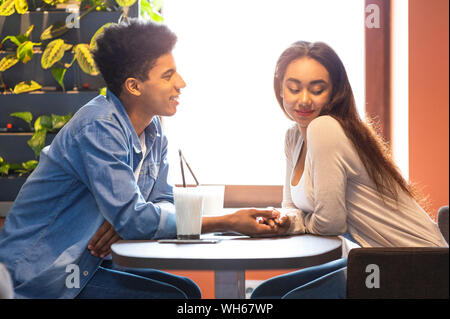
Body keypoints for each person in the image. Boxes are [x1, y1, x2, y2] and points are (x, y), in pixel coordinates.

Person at [0, 20, 279, 299]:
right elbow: (136, 219)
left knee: (186, 290)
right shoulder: (99, 127)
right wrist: (226, 221)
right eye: (168, 75)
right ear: (134, 86)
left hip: (91, 266)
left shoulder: (154, 132)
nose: (181, 83)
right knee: (176, 298)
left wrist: (125, 222)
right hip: (43, 280)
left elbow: (162, 202)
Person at [249, 41, 448, 299]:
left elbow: (330, 222)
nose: (304, 100)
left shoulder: (325, 129)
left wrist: (293, 224)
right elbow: (290, 207)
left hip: (420, 264)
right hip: (374, 259)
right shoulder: (293, 138)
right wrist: (289, 220)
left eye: (317, 89)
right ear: (280, 89)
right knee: (267, 294)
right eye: (294, 88)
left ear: (334, 93)